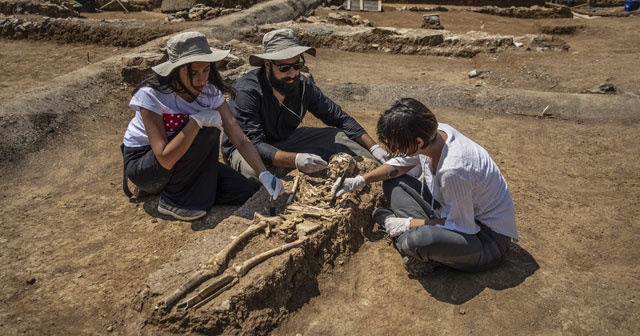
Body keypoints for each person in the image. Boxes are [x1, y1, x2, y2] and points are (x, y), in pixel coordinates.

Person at [331, 98, 518, 275]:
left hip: (484, 240)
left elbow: (462, 226)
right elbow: (398, 167)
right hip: (452, 211)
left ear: (418, 142)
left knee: (418, 241)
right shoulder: (435, 133)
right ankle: (418, 240)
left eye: (398, 146)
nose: (396, 151)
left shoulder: (453, 169)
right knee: (393, 181)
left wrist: (408, 223)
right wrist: (360, 180)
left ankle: (413, 245)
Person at [121, 32, 284, 221]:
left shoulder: (209, 93)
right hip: (148, 166)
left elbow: (238, 136)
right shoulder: (152, 96)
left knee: (245, 190)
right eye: (192, 73)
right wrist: (196, 122)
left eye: (206, 70)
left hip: (187, 162)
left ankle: (187, 190)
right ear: (176, 69)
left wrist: (263, 172)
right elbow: (164, 158)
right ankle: (173, 201)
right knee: (207, 132)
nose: (201, 79)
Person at [221, 28, 388, 186]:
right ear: (267, 64)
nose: (292, 73)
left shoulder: (303, 87)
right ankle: (284, 174)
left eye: (297, 66)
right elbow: (253, 143)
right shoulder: (247, 91)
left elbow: (339, 118)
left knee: (340, 138)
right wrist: (296, 159)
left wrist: (374, 148)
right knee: (254, 174)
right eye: (284, 68)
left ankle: (382, 170)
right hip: (246, 149)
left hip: (284, 141)